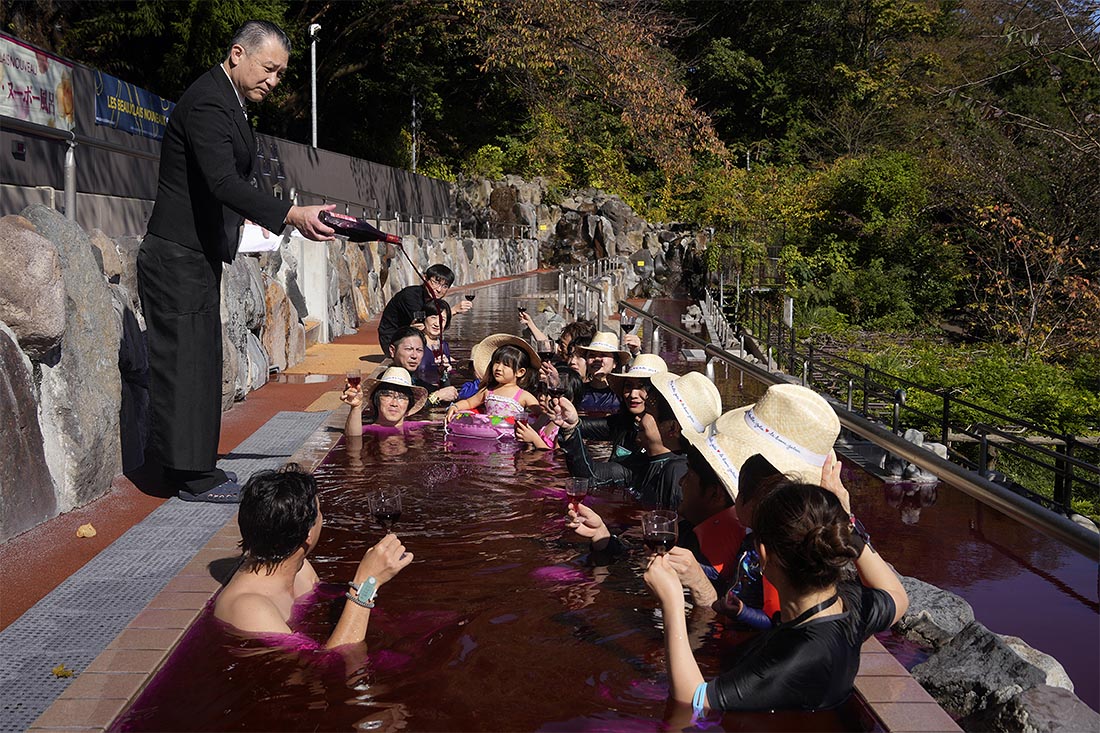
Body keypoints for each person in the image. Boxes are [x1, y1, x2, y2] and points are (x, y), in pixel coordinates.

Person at [139, 20, 337, 502]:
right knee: (186, 364)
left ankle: (183, 467)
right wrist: (289, 213)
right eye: (268, 68)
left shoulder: (228, 99)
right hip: (177, 255)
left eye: (280, 74)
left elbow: (228, 184)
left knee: (197, 361)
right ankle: (192, 476)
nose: (273, 80)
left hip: (193, 254)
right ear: (237, 54)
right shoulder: (209, 101)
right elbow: (222, 183)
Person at [645, 479, 908, 713]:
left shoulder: (799, 656)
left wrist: (673, 604)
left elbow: (693, 699)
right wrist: (847, 525)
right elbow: (897, 596)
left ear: (763, 554)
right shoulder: (849, 605)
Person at [213, 464, 413, 647]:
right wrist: (368, 583)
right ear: (308, 533)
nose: (323, 519)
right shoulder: (249, 608)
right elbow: (332, 665)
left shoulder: (298, 566)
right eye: (320, 513)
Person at [555, 355, 688, 507]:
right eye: (629, 386)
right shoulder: (623, 426)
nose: (633, 394)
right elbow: (591, 477)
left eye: (643, 387)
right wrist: (569, 424)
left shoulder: (677, 469)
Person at [376, 264, 472, 356]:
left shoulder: (432, 299)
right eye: (436, 282)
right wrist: (452, 311)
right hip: (391, 339)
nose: (439, 289)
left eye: (445, 286)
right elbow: (421, 322)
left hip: (410, 335)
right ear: (425, 278)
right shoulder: (410, 295)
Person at [446, 335, 541, 422]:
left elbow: (541, 415)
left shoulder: (524, 396)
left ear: (520, 372)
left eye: (506, 365)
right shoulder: (488, 391)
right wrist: (455, 407)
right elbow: (469, 403)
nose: (498, 368)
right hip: (489, 434)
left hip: (512, 437)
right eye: (497, 362)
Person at [342, 367, 429, 434]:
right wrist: (356, 407)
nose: (394, 403)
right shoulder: (366, 430)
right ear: (376, 399)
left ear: (410, 403)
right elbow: (353, 438)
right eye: (388, 395)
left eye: (401, 397)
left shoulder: (420, 427)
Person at [515, 367, 584, 451]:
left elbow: (559, 456)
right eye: (541, 392)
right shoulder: (545, 417)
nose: (541, 397)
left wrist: (534, 439)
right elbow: (530, 432)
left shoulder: (563, 427)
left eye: (548, 394)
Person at [386, 327, 459, 405]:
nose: (414, 356)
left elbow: (447, 396)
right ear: (392, 351)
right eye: (408, 349)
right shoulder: (390, 380)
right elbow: (405, 409)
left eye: (419, 350)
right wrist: (437, 396)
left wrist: (443, 373)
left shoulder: (414, 379)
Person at [574, 331, 631, 413]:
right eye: (592, 355)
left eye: (603, 354)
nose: (597, 359)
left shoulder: (623, 395)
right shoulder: (577, 392)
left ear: (615, 363)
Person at [416, 301, 452, 388]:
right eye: (433, 317)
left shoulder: (444, 345)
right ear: (424, 319)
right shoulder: (416, 343)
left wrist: (448, 370)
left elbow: (445, 379)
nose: (437, 323)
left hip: (440, 393)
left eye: (442, 319)